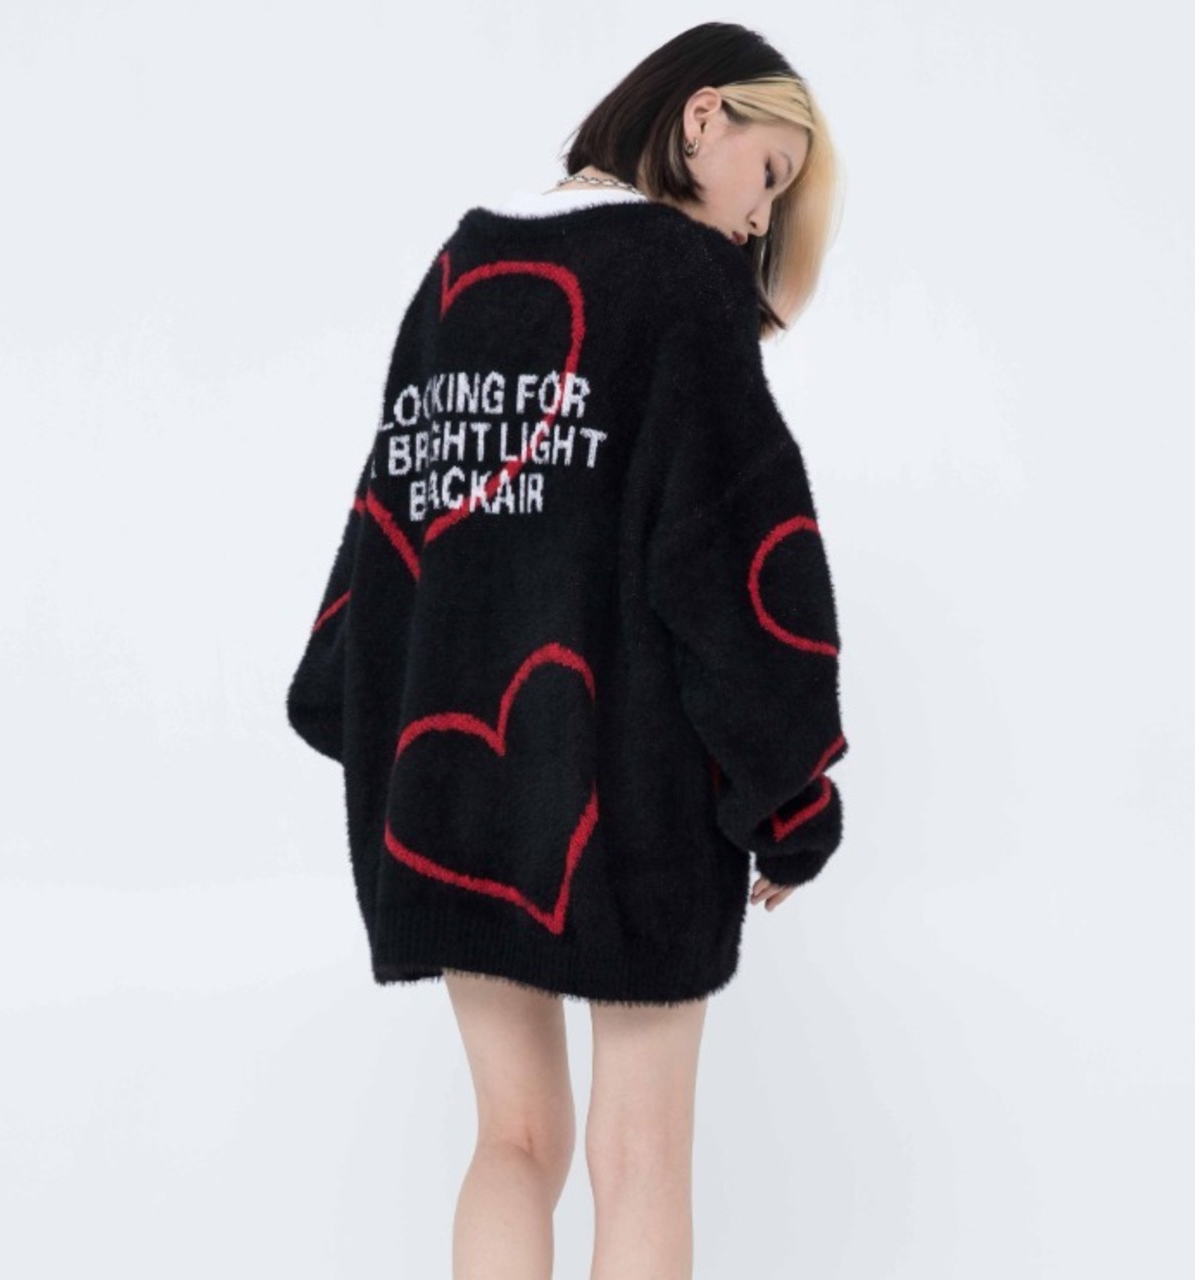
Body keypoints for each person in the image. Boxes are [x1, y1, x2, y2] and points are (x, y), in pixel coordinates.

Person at [286, 20, 847, 1280]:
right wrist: (789, 800)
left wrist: (359, 717)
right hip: (628, 791)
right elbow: (736, 556)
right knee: (639, 1154)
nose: (760, 219)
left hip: (450, 786)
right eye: (767, 174)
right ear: (701, 116)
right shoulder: (677, 281)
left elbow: (386, 527)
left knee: (513, 1137)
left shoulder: (460, 264)